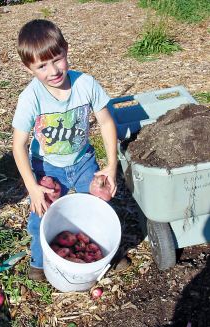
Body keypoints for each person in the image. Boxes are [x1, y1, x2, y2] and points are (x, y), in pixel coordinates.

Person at [12, 19, 126, 281]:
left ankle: (109, 253)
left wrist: (111, 164)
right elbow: (17, 145)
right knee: (42, 212)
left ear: (66, 50)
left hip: (83, 160)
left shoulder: (86, 84)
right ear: (29, 68)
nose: (52, 70)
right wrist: (32, 187)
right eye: (42, 66)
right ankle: (39, 263)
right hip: (47, 164)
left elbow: (107, 122)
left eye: (57, 59)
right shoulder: (31, 98)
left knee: (102, 204)